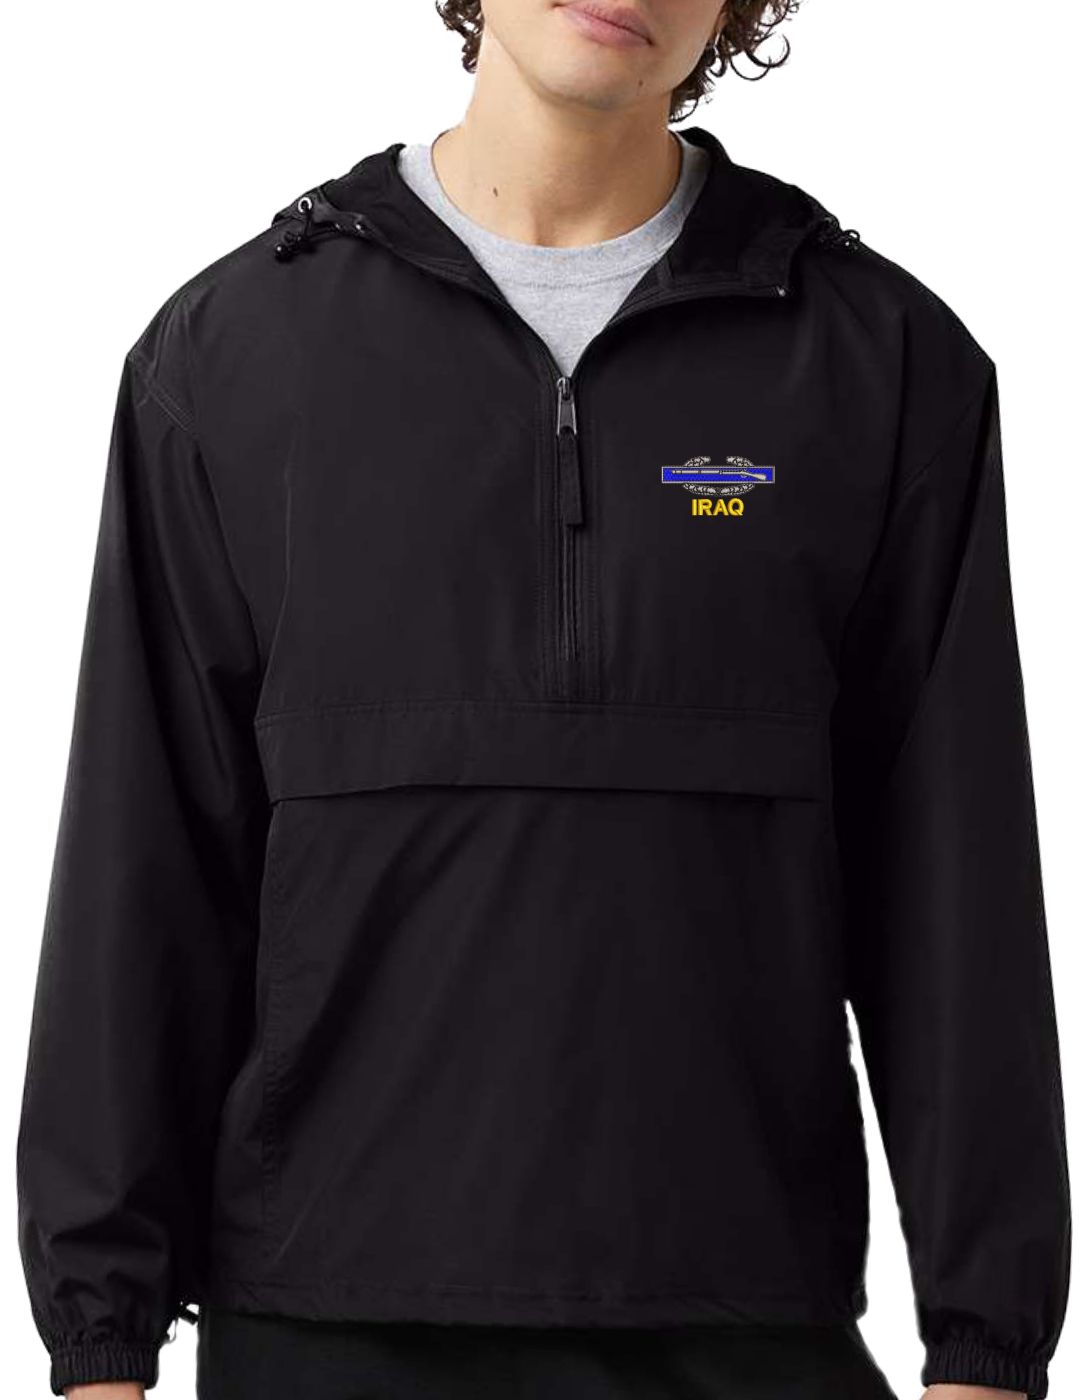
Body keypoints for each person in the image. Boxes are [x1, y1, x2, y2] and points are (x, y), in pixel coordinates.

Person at [16, 2, 1070, 1398]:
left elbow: (953, 877)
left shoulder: (882, 362)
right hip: (325, 1327)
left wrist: (986, 1343)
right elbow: (142, 860)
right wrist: (99, 1339)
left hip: (741, 1321)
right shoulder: (232, 353)